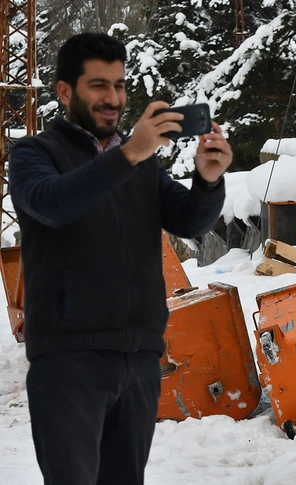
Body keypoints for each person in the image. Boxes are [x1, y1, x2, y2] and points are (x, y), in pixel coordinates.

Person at [8, 32, 232, 485]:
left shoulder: (140, 163)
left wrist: (208, 181)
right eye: (99, 85)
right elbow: (53, 204)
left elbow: (188, 220)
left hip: (138, 357)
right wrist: (130, 152)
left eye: (120, 85)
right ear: (65, 92)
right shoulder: (35, 154)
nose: (113, 98)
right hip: (69, 361)